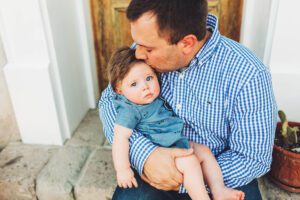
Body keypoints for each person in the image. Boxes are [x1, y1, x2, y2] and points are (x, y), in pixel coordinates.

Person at [99, 0, 277, 199]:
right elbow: (109, 101)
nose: (138, 53)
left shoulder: (249, 74)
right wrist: (146, 156)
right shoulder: (146, 47)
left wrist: (183, 178)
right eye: (138, 44)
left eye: (148, 49)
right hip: (151, 167)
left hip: (219, 174)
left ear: (186, 43)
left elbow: (253, 158)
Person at [107, 46, 245, 200]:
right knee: (191, 162)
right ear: (119, 90)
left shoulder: (151, 98)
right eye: (134, 84)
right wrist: (123, 169)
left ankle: (218, 189)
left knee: (204, 151)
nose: (145, 87)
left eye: (149, 78)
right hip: (163, 151)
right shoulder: (130, 110)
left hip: (177, 141)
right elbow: (120, 138)